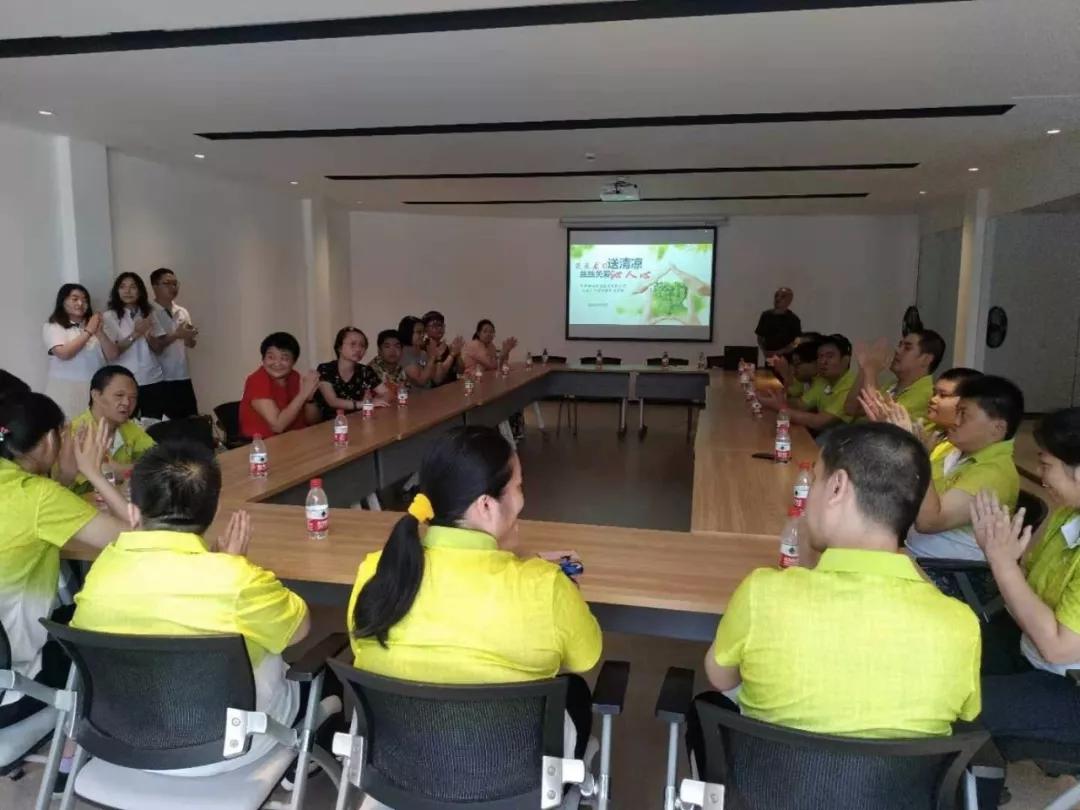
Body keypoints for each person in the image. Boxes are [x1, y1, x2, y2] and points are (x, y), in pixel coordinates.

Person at [688, 423, 980, 767]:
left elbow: (721, 678)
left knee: (707, 706)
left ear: (837, 487)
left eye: (815, 480)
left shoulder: (764, 592)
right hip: (897, 791)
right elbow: (966, 713)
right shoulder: (960, 623)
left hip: (771, 785)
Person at [348, 426, 601, 756]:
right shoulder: (545, 586)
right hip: (507, 772)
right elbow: (585, 657)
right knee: (575, 691)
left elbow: (360, 645)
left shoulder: (377, 571)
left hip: (401, 767)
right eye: (518, 487)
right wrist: (551, 581)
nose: (522, 499)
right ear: (485, 506)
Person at [71, 441, 310, 776]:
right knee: (312, 675)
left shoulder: (102, 572)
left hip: (124, 740)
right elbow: (299, 631)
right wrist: (235, 565)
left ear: (134, 512)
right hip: (224, 747)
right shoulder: (235, 579)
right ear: (213, 510)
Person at [967, 408, 1080, 808]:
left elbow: (1058, 647)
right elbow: (1027, 589)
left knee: (958, 702)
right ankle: (980, 777)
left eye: (1046, 465)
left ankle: (975, 792)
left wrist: (1002, 564)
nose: (1041, 475)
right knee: (947, 650)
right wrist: (1003, 561)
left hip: (1068, 685)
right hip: (1033, 649)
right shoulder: (1068, 515)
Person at [0, 392, 128, 729]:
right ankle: (88, 738)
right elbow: (137, 538)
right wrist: (93, 472)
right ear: (49, 440)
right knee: (117, 621)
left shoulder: (30, 492)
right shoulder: (39, 496)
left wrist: (67, 478)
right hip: (13, 686)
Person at [866, 374, 1023, 561]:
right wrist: (892, 438)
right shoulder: (952, 450)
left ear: (997, 429)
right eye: (956, 412)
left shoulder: (995, 473)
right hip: (915, 554)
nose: (955, 420)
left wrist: (918, 456)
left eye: (963, 414)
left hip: (948, 570)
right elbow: (901, 491)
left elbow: (929, 522)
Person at [63, 366, 156, 496]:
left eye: (133, 397)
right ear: (96, 395)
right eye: (119, 395)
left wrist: (124, 469)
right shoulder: (77, 431)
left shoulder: (129, 427)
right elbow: (110, 473)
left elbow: (159, 459)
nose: (127, 403)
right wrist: (136, 469)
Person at [42, 283, 119, 420]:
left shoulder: (97, 325)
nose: (80, 303)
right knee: (68, 427)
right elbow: (64, 354)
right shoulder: (53, 326)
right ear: (63, 301)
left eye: (85, 300)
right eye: (75, 299)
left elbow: (113, 355)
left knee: (96, 426)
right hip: (65, 388)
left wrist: (100, 332)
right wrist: (89, 331)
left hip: (95, 387)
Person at [101, 272, 168, 419]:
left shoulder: (149, 313)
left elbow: (159, 349)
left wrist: (148, 334)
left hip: (151, 377)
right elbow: (112, 352)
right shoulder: (109, 316)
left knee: (153, 424)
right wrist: (136, 333)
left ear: (140, 291)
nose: (128, 291)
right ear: (117, 291)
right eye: (123, 287)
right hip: (123, 380)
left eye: (133, 287)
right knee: (125, 423)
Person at [759, 334, 856, 433]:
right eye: (820, 356)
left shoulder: (851, 385)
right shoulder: (823, 381)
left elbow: (819, 422)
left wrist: (779, 407)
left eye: (830, 356)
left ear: (845, 360)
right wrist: (777, 401)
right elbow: (800, 405)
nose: (823, 361)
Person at [843, 330, 946, 423]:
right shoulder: (892, 385)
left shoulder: (927, 393)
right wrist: (864, 368)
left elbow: (881, 419)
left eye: (907, 348)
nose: (897, 350)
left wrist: (870, 370)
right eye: (899, 345)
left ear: (926, 359)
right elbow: (851, 408)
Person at [239, 332, 321, 439]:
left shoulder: (295, 377)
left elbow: (314, 421)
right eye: (271, 357)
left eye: (284, 358)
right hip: (264, 444)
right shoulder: (256, 380)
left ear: (293, 362)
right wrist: (303, 394)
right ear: (263, 359)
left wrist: (309, 399)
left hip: (294, 439)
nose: (277, 363)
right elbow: (277, 426)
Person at [148, 268, 199, 419]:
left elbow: (190, 344)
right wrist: (177, 334)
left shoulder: (182, 311)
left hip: (183, 375)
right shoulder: (149, 312)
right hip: (161, 378)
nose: (173, 287)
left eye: (175, 283)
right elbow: (156, 346)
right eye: (167, 283)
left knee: (191, 420)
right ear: (155, 286)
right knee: (166, 423)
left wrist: (189, 336)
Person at [315, 327, 388, 421]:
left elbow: (387, 393)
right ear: (339, 347)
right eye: (353, 344)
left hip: (359, 421)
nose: (358, 349)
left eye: (362, 345)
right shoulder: (325, 369)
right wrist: (364, 404)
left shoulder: (365, 371)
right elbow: (333, 401)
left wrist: (376, 400)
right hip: (333, 424)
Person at [927, 367, 983, 432]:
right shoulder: (928, 431)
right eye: (934, 393)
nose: (933, 399)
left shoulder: (972, 438)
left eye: (943, 395)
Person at [420, 310, 465, 387]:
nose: (439, 328)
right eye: (434, 326)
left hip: (452, 386)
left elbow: (461, 371)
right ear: (425, 329)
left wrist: (458, 354)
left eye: (441, 325)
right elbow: (437, 379)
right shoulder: (424, 348)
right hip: (436, 390)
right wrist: (452, 355)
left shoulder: (446, 346)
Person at [754, 287, 801, 358]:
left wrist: (782, 351)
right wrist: (764, 350)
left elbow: (797, 341)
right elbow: (760, 336)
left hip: (786, 359)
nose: (778, 298)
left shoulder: (794, 319)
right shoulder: (766, 316)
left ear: (789, 301)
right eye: (776, 295)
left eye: (783, 296)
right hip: (769, 358)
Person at [369, 329, 410, 395]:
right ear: (379, 351)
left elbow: (406, 391)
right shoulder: (371, 370)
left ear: (402, 351)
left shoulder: (400, 368)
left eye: (397, 346)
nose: (392, 350)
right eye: (387, 346)